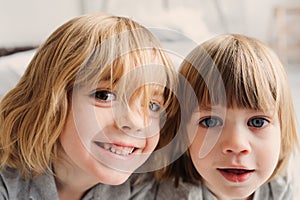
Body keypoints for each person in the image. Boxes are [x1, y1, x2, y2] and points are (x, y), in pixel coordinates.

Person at [0, 13, 178, 200]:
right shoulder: (7, 182)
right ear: (51, 102)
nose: (135, 122)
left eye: (153, 105)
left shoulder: (148, 188)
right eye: (105, 96)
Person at [135, 33, 299, 200]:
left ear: (283, 131)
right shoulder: (154, 192)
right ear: (182, 133)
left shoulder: (284, 188)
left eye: (257, 122)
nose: (236, 145)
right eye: (211, 121)